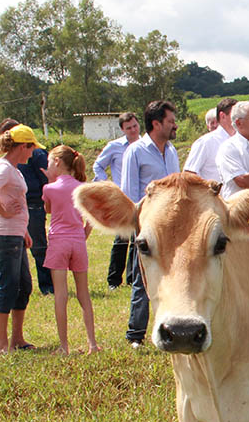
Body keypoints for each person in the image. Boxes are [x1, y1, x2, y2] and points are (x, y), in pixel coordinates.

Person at [120, 99, 181, 348]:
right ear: (156, 124)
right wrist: (140, 228)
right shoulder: (135, 151)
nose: (175, 125)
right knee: (142, 281)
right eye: (170, 121)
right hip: (149, 229)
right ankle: (136, 335)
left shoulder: (173, 151)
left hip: (174, 228)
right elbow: (129, 193)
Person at [0, 124, 40, 354]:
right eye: (32, 148)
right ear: (23, 146)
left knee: (23, 286)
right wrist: (4, 212)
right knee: (8, 286)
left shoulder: (13, 169)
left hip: (15, 235)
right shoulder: (3, 168)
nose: (33, 153)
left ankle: (17, 338)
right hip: (4, 236)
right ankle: (1, 343)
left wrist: (23, 229)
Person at [43, 145, 100, 355]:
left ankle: (64, 346)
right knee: (83, 294)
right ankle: (92, 344)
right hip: (78, 242)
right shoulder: (82, 187)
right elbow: (91, 218)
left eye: (50, 162)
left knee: (61, 295)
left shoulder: (49, 188)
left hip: (58, 241)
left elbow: (48, 209)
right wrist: (83, 234)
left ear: (57, 162)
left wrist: (50, 181)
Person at [1, 119, 53, 297]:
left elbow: (47, 177)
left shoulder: (35, 153)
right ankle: (21, 285)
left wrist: (44, 199)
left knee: (38, 247)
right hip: (18, 207)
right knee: (18, 248)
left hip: (33, 205)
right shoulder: (5, 161)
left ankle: (47, 286)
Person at [92, 111, 141, 289]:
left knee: (138, 240)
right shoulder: (114, 146)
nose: (133, 130)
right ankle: (114, 279)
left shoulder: (145, 146)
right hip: (122, 198)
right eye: (129, 128)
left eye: (135, 126)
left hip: (141, 197)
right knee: (121, 239)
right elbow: (97, 165)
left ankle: (132, 277)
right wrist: (107, 183)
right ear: (122, 129)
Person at [184, 97, 237, 181]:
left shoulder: (241, 141)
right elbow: (189, 174)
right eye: (235, 115)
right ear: (223, 116)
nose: (239, 118)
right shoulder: (205, 142)